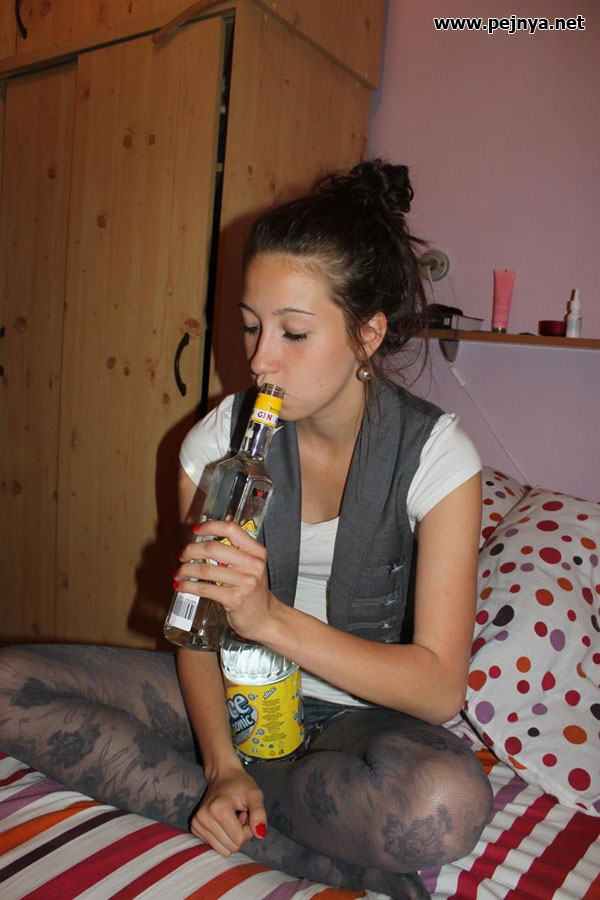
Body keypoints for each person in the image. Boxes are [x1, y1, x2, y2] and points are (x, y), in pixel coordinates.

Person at [0, 160, 492, 900]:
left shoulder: (437, 458)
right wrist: (223, 763)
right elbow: (195, 629)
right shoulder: (217, 443)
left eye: (294, 332)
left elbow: (438, 688)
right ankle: (292, 839)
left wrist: (267, 619)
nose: (260, 359)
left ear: (367, 334)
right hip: (231, 691)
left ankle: (223, 795)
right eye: (252, 326)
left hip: (359, 724)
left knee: (440, 806)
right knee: (7, 685)